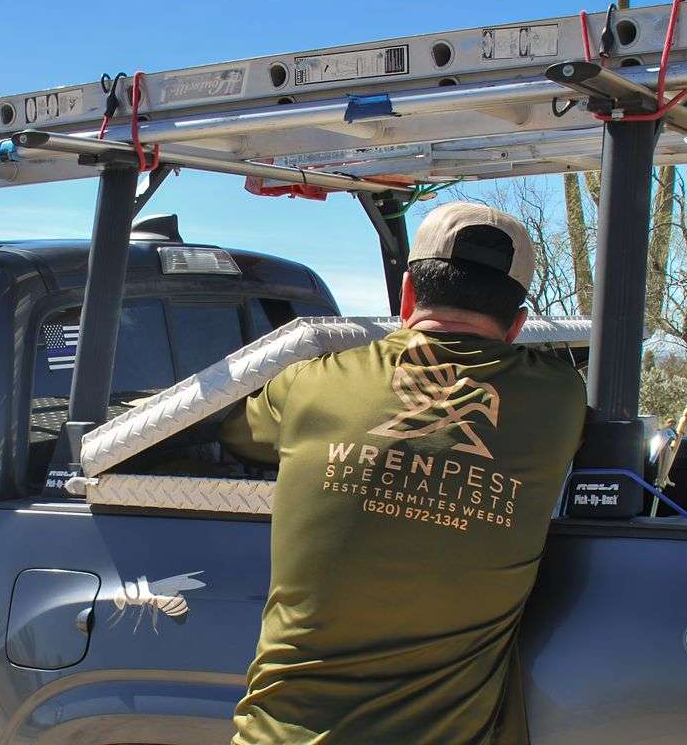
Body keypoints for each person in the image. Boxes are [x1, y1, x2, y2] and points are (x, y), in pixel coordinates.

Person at [222, 201, 587, 744]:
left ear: (409, 294)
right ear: (518, 325)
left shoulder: (310, 385)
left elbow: (234, 433)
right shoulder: (559, 402)